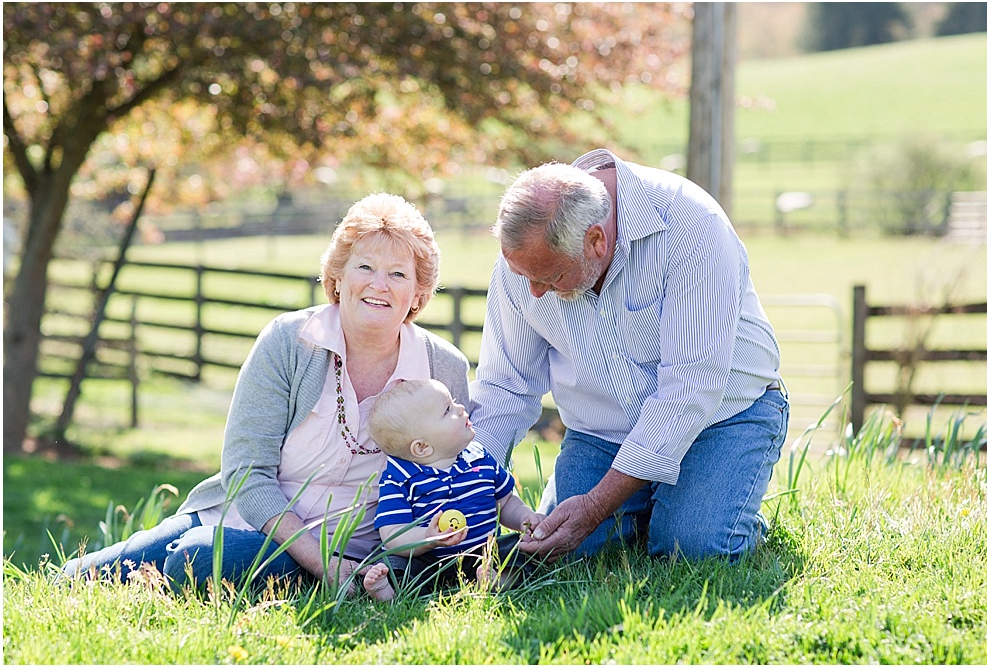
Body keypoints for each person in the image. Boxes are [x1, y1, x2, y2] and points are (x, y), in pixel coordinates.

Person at [61, 193, 471, 594]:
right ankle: (302, 577)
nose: (379, 285)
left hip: (367, 556)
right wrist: (322, 564)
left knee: (197, 560)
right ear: (338, 277)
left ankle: (309, 578)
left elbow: (462, 474)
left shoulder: (442, 367)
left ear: (419, 292)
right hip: (249, 522)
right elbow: (247, 472)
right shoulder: (288, 342)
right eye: (365, 266)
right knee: (84, 578)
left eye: (398, 274)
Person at [469, 148, 789, 562]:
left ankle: (718, 510)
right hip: (603, 429)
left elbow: (691, 389)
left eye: (551, 277)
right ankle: (651, 509)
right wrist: (465, 490)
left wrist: (596, 506)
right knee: (565, 554)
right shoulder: (530, 258)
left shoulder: (690, 224)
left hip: (720, 416)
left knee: (691, 549)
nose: (535, 291)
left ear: (596, 240)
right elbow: (504, 387)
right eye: (525, 277)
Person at [361, 378, 545, 601]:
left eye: (454, 403)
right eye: (448, 410)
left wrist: (525, 518)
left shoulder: (478, 456)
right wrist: (427, 538)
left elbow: (505, 502)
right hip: (429, 561)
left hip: (482, 553)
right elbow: (392, 534)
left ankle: (496, 580)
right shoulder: (401, 478)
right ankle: (386, 590)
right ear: (422, 447)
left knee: (520, 549)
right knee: (396, 564)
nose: (460, 408)